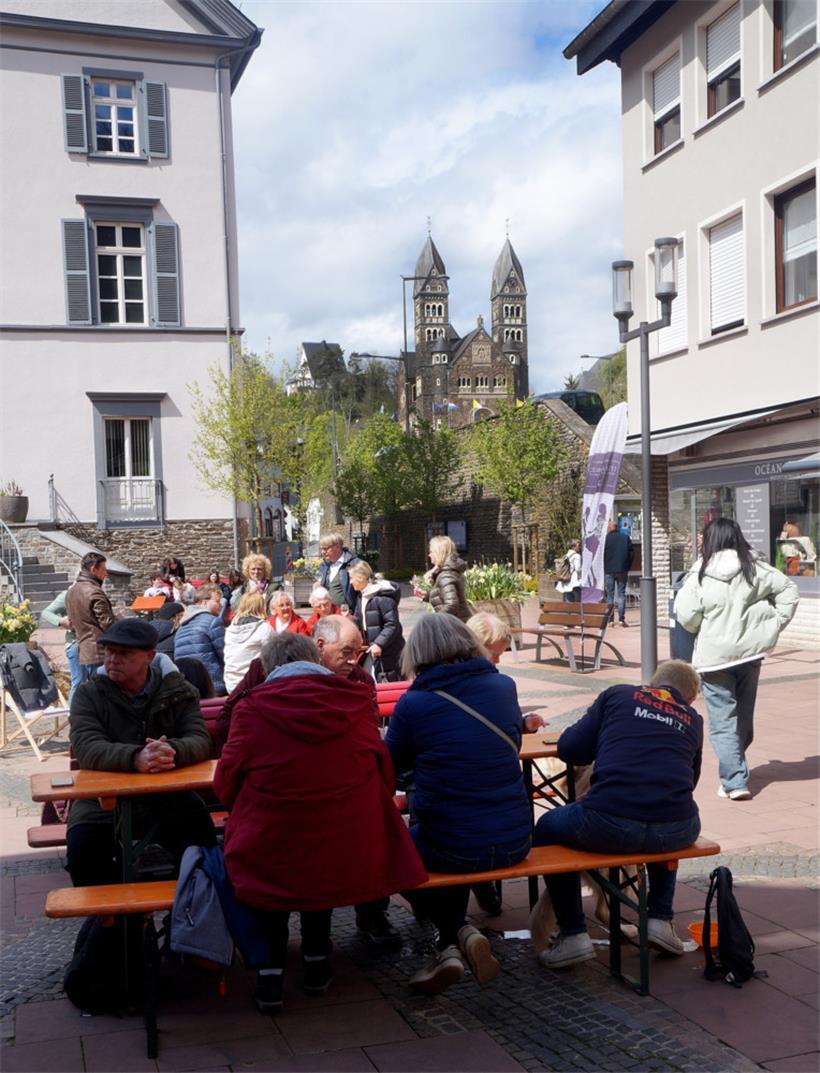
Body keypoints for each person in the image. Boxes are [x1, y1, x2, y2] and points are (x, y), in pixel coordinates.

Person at [214, 632, 427, 1014]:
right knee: (320, 852)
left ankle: (270, 977)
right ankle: (316, 964)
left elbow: (224, 786)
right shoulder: (354, 702)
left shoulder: (251, 709)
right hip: (342, 842)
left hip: (271, 842)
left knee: (273, 862)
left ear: (268, 667)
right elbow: (384, 773)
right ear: (315, 658)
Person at [386, 613, 531, 994]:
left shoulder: (413, 704)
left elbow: (389, 769)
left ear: (418, 653)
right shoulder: (503, 687)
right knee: (453, 825)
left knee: (388, 852)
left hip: (453, 846)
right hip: (516, 840)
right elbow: (512, 746)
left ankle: (456, 933)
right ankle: (454, 940)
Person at [531, 660, 704, 969]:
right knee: (666, 812)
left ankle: (573, 935)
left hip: (608, 822)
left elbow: (570, 749)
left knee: (545, 827)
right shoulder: (693, 718)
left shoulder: (618, 695)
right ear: (688, 698)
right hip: (678, 829)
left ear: (651, 682)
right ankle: (660, 919)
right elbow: (689, 782)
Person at [66, 619, 215, 888]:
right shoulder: (89, 694)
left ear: (150, 656)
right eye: (110, 652)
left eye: (124, 654)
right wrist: (136, 757)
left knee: (203, 842)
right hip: (101, 802)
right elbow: (86, 746)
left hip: (168, 796)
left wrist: (173, 752)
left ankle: (188, 912)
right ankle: (113, 922)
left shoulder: (178, 691)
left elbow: (199, 739)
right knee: (82, 851)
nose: (113, 660)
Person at [675, 518, 798, 801]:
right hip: (750, 654)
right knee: (742, 717)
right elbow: (788, 591)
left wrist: (704, 627)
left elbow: (688, 617)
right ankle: (735, 773)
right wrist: (774, 624)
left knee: (722, 721)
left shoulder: (700, 574)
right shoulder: (755, 567)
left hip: (714, 658)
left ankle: (734, 781)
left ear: (710, 540)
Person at [349, 562, 404, 681]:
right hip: (372, 649)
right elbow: (358, 620)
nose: (350, 582)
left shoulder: (382, 597)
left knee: (389, 682)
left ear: (361, 577)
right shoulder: (361, 596)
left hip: (388, 650)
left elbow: (392, 625)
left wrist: (379, 643)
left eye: (352, 578)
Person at [65, 552, 115, 682]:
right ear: (93, 570)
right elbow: (107, 624)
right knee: (103, 694)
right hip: (98, 651)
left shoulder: (72, 591)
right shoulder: (94, 591)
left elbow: (72, 622)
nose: (106, 573)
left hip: (83, 649)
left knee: (92, 693)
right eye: (103, 569)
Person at [173, 584, 227, 695]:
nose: (221, 605)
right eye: (217, 601)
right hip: (213, 686)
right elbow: (225, 654)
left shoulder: (181, 627)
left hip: (188, 687)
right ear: (204, 602)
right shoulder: (212, 622)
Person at [224, 591, 275, 691]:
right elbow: (272, 657)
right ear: (261, 606)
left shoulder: (230, 628)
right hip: (253, 683)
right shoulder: (265, 628)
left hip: (231, 682)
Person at [413, 535, 470, 621]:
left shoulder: (446, 575)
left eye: (431, 552)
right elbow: (445, 596)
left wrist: (436, 620)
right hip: (457, 622)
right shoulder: (448, 571)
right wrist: (427, 595)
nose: (429, 555)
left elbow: (452, 605)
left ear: (439, 553)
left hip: (453, 626)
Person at [39, 590, 81, 702]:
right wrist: (61, 621)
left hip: (93, 644)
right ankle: (73, 717)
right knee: (79, 682)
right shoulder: (67, 594)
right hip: (75, 643)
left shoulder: (95, 591)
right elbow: (46, 613)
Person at [316, 532, 360, 612]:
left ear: (337, 547)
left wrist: (356, 614)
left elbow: (363, 591)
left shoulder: (354, 564)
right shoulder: (324, 566)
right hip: (328, 614)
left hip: (348, 616)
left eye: (325, 548)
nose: (322, 552)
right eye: (321, 549)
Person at [604, 520, 634, 625]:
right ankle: (621, 619)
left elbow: (601, 555)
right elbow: (631, 553)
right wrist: (627, 566)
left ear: (609, 528)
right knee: (621, 593)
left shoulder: (605, 539)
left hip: (609, 570)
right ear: (616, 527)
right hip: (622, 570)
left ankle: (610, 620)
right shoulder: (625, 538)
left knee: (610, 595)